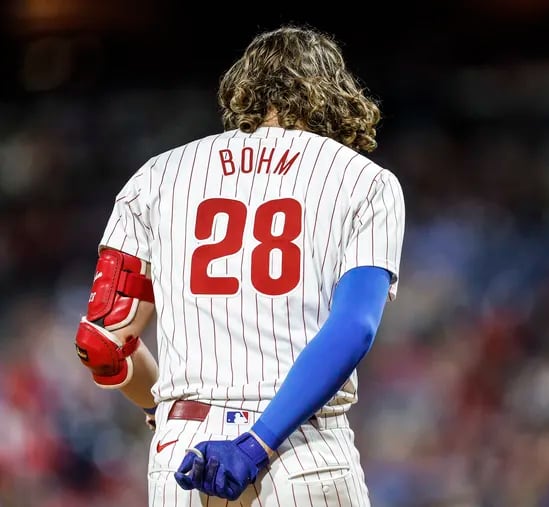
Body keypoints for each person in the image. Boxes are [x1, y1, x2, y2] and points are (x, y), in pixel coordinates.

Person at [74, 24, 406, 506]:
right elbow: (354, 327)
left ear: (242, 91)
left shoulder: (158, 175)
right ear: (334, 94)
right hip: (302, 449)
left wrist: (161, 404)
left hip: (183, 455)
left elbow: (101, 342)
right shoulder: (364, 180)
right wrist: (257, 442)